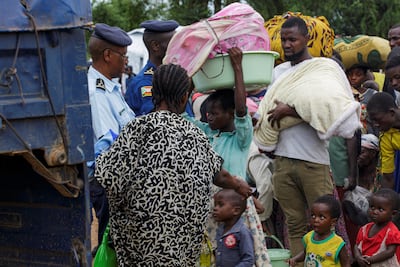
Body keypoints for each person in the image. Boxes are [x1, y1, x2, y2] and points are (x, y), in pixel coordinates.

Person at [94, 63, 252, 266]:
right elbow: (219, 175)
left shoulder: (137, 129)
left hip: (139, 247)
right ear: (184, 98)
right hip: (183, 250)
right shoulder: (196, 135)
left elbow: (106, 177)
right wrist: (239, 185)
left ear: (154, 94)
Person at [253, 16, 358, 265]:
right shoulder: (278, 72)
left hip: (314, 162)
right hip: (282, 161)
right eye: (283, 39)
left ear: (306, 40)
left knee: (325, 226)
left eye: (292, 39)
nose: (287, 44)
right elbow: (267, 112)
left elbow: (336, 114)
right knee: (295, 225)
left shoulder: (325, 70)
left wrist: (292, 111)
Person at [185, 47, 269, 266]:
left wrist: (238, 68)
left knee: (242, 254)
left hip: (235, 206)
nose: (209, 117)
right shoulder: (206, 132)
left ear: (230, 113)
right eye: (208, 113)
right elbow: (181, 115)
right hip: (209, 205)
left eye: (215, 113)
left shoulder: (240, 138)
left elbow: (242, 110)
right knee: (212, 254)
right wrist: (192, 70)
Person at [87, 23, 136, 248]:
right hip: (110, 183)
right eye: (122, 56)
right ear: (107, 55)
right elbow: (108, 145)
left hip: (118, 179)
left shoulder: (110, 89)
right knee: (114, 248)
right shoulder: (97, 94)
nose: (125, 61)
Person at [125, 20, 193, 117]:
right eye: (173, 44)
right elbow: (160, 122)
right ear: (155, 46)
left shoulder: (173, 77)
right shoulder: (144, 83)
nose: (178, 48)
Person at [288, 194, 350, 267]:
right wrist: (295, 259)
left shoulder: (337, 243)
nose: (316, 220)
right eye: (313, 216)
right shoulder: (308, 237)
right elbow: (306, 252)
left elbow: (346, 263)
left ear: (333, 222)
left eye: (322, 217)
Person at [353, 188, 400, 266]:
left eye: (380, 209)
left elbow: (390, 252)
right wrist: (358, 257)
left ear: (393, 213)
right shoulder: (364, 229)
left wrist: (369, 260)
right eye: (372, 207)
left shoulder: (392, 232)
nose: (374, 212)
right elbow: (356, 245)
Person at [213, 189, 255, 267]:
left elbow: (248, 259)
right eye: (215, 205)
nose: (215, 208)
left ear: (236, 211)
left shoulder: (242, 232)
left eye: (220, 205)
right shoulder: (220, 229)